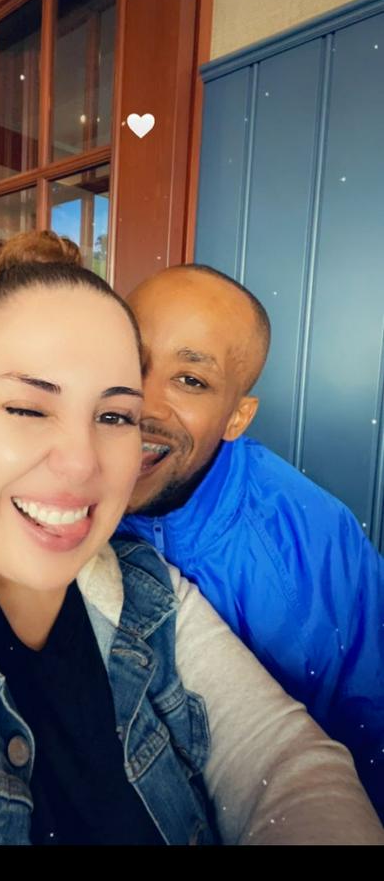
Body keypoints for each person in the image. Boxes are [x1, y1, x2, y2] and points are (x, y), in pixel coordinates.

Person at [0, 259, 382, 845]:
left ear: (238, 416)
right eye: (27, 408)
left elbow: (290, 764)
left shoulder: (176, 582)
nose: (82, 463)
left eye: (112, 415)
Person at [118, 263, 384, 822]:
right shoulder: (52, 493)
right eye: (129, 359)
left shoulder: (310, 544)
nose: (142, 402)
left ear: (237, 417)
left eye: (191, 380)